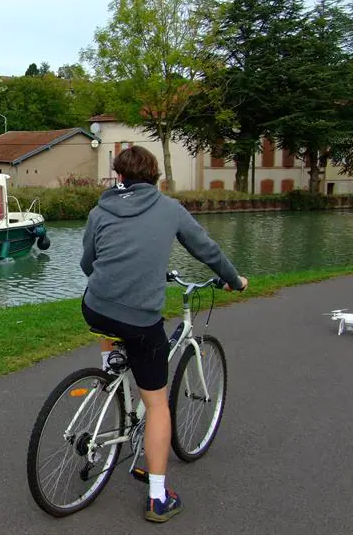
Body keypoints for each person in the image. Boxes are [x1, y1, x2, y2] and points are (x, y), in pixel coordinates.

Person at [79, 146, 248, 523]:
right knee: (156, 403)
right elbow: (207, 250)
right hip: (139, 320)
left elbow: (87, 263)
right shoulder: (170, 209)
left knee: (106, 313)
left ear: (118, 177)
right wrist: (234, 280)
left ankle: (109, 368)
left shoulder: (99, 211)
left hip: (96, 306)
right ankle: (157, 497)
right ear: (156, 178)